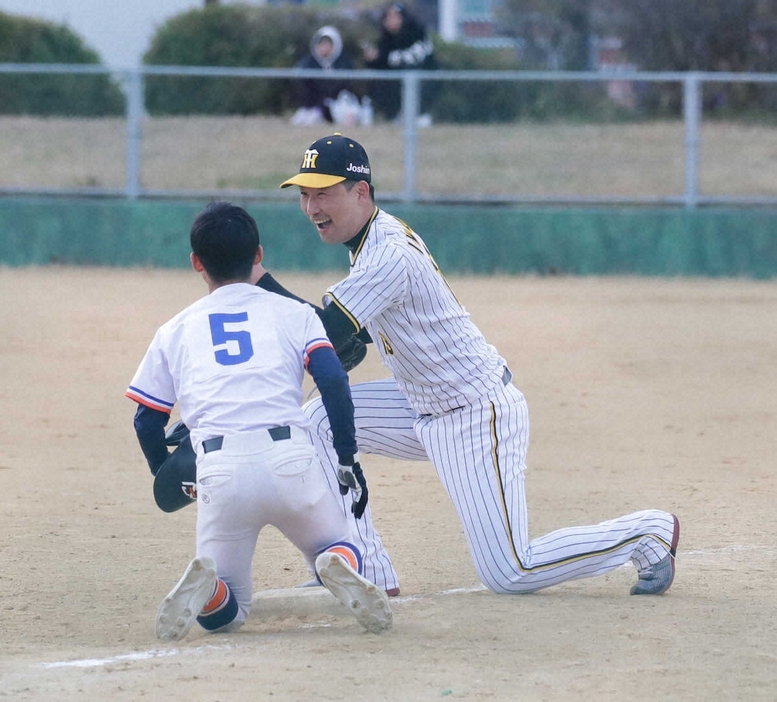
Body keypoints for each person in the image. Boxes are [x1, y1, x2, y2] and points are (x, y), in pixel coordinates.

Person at [250, 133, 680, 598]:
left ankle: (647, 533)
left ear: (361, 192)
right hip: (420, 404)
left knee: (511, 571)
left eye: (324, 192)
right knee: (319, 420)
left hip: (474, 413)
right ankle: (367, 572)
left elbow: (328, 332)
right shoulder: (369, 242)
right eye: (305, 194)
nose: (313, 206)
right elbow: (348, 344)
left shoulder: (387, 253)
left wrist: (254, 280)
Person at [125, 201, 392, 641]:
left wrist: (168, 475)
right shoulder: (295, 314)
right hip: (290, 460)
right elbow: (332, 380)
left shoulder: (174, 329)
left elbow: (145, 421)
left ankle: (209, 592)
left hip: (219, 471)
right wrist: (346, 455)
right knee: (342, 547)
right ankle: (336, 564)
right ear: (258, 255)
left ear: (196, 263)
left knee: (228, 614)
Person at [363, 2, 437, 123]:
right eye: (388, 17)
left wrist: (382, 57)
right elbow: (382, 64)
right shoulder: (385, 39)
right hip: (395, 89)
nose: (391, 21)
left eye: (395, 17)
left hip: (423, 81)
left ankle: (420, 116)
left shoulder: (417, 33)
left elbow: (412, 58)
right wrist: (372, 59)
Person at [291, 25, 359, 127]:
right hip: (314, 106)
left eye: (328, 44)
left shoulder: (344, 63)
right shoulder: (308, 63)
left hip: (339, 104)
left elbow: (347, 87)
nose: (324, 48)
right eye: (322, 44)